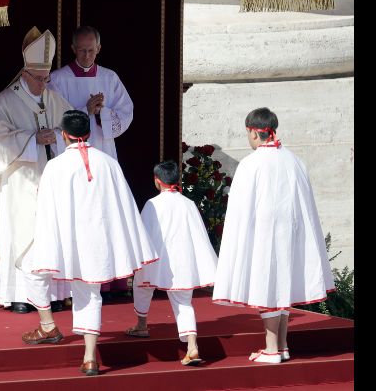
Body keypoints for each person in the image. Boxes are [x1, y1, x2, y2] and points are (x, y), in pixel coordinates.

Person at [20, 110, 158, 376]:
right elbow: (124, 205)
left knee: (32, 269)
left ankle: (54, 329)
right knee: (89, 293)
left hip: (69, 239)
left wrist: (51, 242)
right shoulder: (108, 162)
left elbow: (46, 208)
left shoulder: (55, 165)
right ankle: (85, 354)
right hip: (100, 242)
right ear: (90, 132)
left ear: (63, 135)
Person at [212, 108, 335, 363]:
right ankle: (282, 345)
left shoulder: (251, 163)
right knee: (281, 287)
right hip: (290, 233)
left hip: (263, 234)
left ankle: (271, 349)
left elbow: (240, 209)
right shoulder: (294, 161)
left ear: (253, 132)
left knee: (266, 286)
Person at [0, 27, 74, 313]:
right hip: (18, 181)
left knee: (49, 232)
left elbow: (71, 127)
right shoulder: (5, 101)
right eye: (39, 79)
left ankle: (50, 294)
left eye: (47, 78)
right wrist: (31, 139)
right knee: (22, 232)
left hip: (50, 178)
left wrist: (55, 135)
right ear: (25, 74)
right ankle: (19, 294)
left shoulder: (54, 99)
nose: (44, 83)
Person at [48, 25, 134, 299]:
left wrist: (102, 114)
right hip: (72, 158)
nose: (86, 55)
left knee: (104, 213)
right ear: (72, 49)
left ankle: (109, 279)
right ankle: (76, 279)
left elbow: (127, 113)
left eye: (91, 50)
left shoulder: (110, 78)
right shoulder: (58, 79)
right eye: (81, 50)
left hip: (103, 154)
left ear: (99, 48)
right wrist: (85, 110)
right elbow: (52, 115)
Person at [126, 160, 219, 366]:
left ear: (157, 181)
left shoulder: (152, 204)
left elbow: (143, 233)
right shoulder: (188, 203)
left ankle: (142, 324)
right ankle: (192, 346)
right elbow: (199, 235)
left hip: (157, 258)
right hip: (183, 260)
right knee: (184, 303)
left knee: (141, 283)